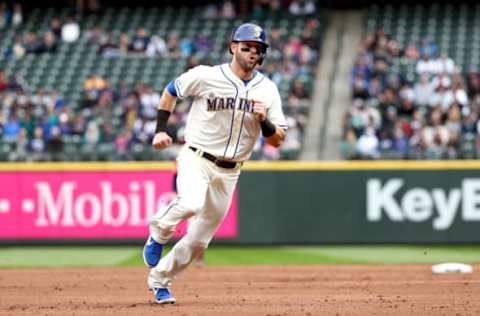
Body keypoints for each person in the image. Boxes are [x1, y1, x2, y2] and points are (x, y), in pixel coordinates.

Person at [142, 23, 287, 304]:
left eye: (257, 50)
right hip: (196, 157)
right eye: (246, 47)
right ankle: (159, 230)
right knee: (191, 202)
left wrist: (263, 120)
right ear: (233, 47)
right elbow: (171, 91)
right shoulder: (206, 76)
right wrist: (161, 129)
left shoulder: (268, 90)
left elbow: (277, 139)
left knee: (199, 241)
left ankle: (160, 280)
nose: (252, 54)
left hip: (231, 171)